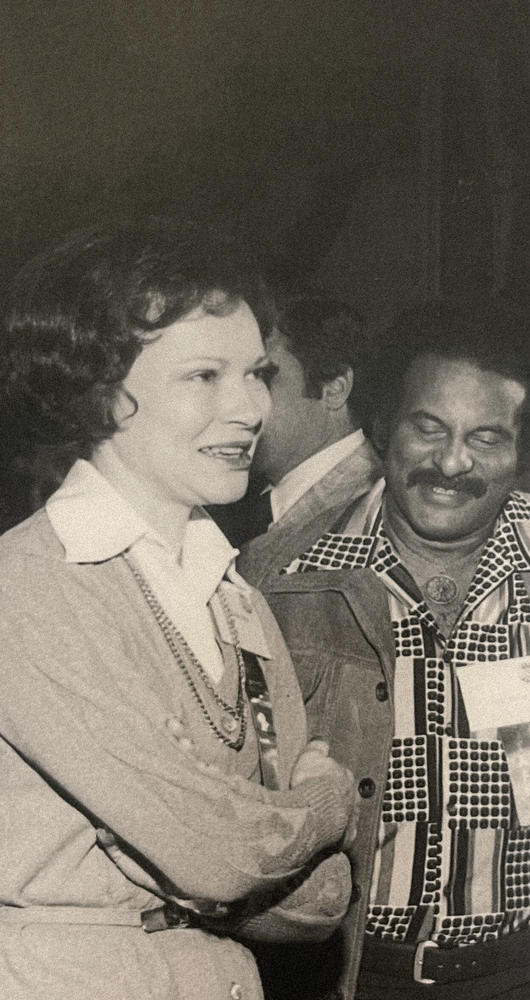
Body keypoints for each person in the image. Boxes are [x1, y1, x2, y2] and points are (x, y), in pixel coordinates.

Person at [240, 298, 530, 1000]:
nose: (452, 462)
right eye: (428, 429)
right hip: (353, 976)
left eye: (486, 439)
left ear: (522, 450)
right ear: (383, 428)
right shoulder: (282, 581)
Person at [0, 219, 358, 1000]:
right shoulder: (28, 589)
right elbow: (224, 855)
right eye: (204, 376)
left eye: (258, 372)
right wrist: (325, 802)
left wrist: (232, 854)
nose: (250, 409)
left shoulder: (237, 598)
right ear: (101, 395)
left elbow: (320, 901)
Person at [209, 291, 381, 550]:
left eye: (261, 376)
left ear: (335, 389)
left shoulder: (372, 515)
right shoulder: (247, 504)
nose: (238, 405)